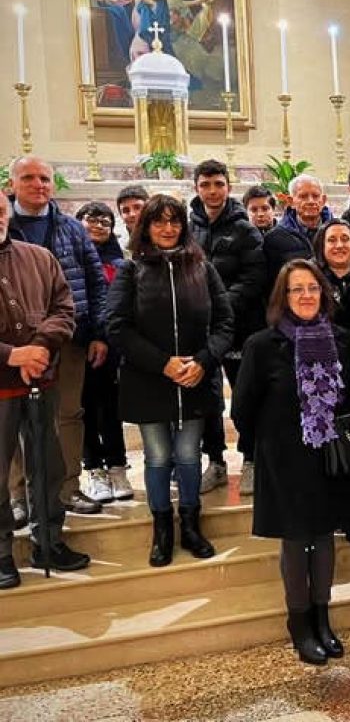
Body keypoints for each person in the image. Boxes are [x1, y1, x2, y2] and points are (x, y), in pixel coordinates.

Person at [232, 259, 350, 665]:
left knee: (323, 537)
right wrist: (264, 449)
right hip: (283, 458)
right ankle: (299, 622)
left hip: (328, 455)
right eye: (296, 289)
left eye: (312, 288)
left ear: (323, 293)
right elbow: (243, 410)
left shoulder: (341, 339)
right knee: (296, 538)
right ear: (282, 298)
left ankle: (322, 617)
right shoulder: (262, 346)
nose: (306, 296)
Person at [108, 195, 233, 568]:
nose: (167, 228)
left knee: (189, 454)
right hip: (149, 379)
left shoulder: (202, 268)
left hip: (195, 377)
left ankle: (191, 526)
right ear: (145, 226)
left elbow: (225, 322)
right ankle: (162, 528)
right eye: (159, 222)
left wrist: (205, 360)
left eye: (174, 221)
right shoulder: (131, 270)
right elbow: (117, 326)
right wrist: (162, 363)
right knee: (159, 456)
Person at [7, 156, 108, 517]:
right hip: (15, 347)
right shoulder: (5, 224)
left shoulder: (72, 228)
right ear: (13, 183)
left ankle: (67, 488)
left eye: (46, 178)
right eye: (29, 178)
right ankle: (19, 496)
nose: (39, 185)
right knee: (14, 420)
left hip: (69, 338)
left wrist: (98, 332)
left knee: (68, 413)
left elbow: (96, 282)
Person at [0, 192, 90, 589]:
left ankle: (49, 539)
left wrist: (38, 348)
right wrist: (11, 355)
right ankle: (2, 553)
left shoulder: (37, 257)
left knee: (47, 465)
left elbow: (63, 307)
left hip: (41, 381)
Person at [188, 160, 266, 496]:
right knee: (206, 398)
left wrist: (220, 306)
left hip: (239, 325)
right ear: (197, 188)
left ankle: (250, 459)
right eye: (205, 184)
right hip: (199, 329)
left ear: (228, 187)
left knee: (245, 395)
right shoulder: (187, 228)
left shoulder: (245, 229)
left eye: (218, 184)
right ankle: (215, 462)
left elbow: (254, 278)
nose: (212, 191)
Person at [312, 218, 350, 543]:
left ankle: (349, 518)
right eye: (332, 240)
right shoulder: (310, 279)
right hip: (317, 378)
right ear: (322, 246)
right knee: (319, 450)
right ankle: (323, 515)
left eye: (345, 239)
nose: (339, 245)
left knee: (349, 449)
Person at [75, 202, 132, 504]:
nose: (98, 226)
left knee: (111, 409)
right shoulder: (73, 257)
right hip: (80, 343)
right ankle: (94, 468)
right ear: (79, 223)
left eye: (106, 222)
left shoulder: (119, 262)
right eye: (92, 220)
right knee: (84, 408)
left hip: (113, 347)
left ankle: (117, 465)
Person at [263, 174, 333, 298]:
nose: (311, 201)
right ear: (291, 201)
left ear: (323, 200)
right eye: (303, 196)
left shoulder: (337, 233)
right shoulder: (274, 238)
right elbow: (271, 286)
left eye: (315, 196)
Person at [97, 0, 175, 63]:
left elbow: (161, 15)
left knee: (137, 50)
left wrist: (151, 4)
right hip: (135, 27)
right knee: (135, 51)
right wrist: (106, 0)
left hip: (147, 30)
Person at [116, 185, 149, 257]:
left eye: (137, 207)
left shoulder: (164, 237)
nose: (132, 214)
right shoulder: (117, 245)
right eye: (125, 210)